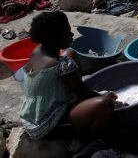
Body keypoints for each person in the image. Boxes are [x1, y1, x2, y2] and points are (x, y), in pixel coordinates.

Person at [20, 11, 116, 141]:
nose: (71, 34)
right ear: (55, 38)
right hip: (46, 125)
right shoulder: (61, 64)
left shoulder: (38, 51)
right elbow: (83, 93)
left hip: (32, 116)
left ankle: (76, 105)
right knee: (105, 104)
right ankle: (92, 139)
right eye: (67, 32)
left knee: (70, 53)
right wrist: (105, 96)